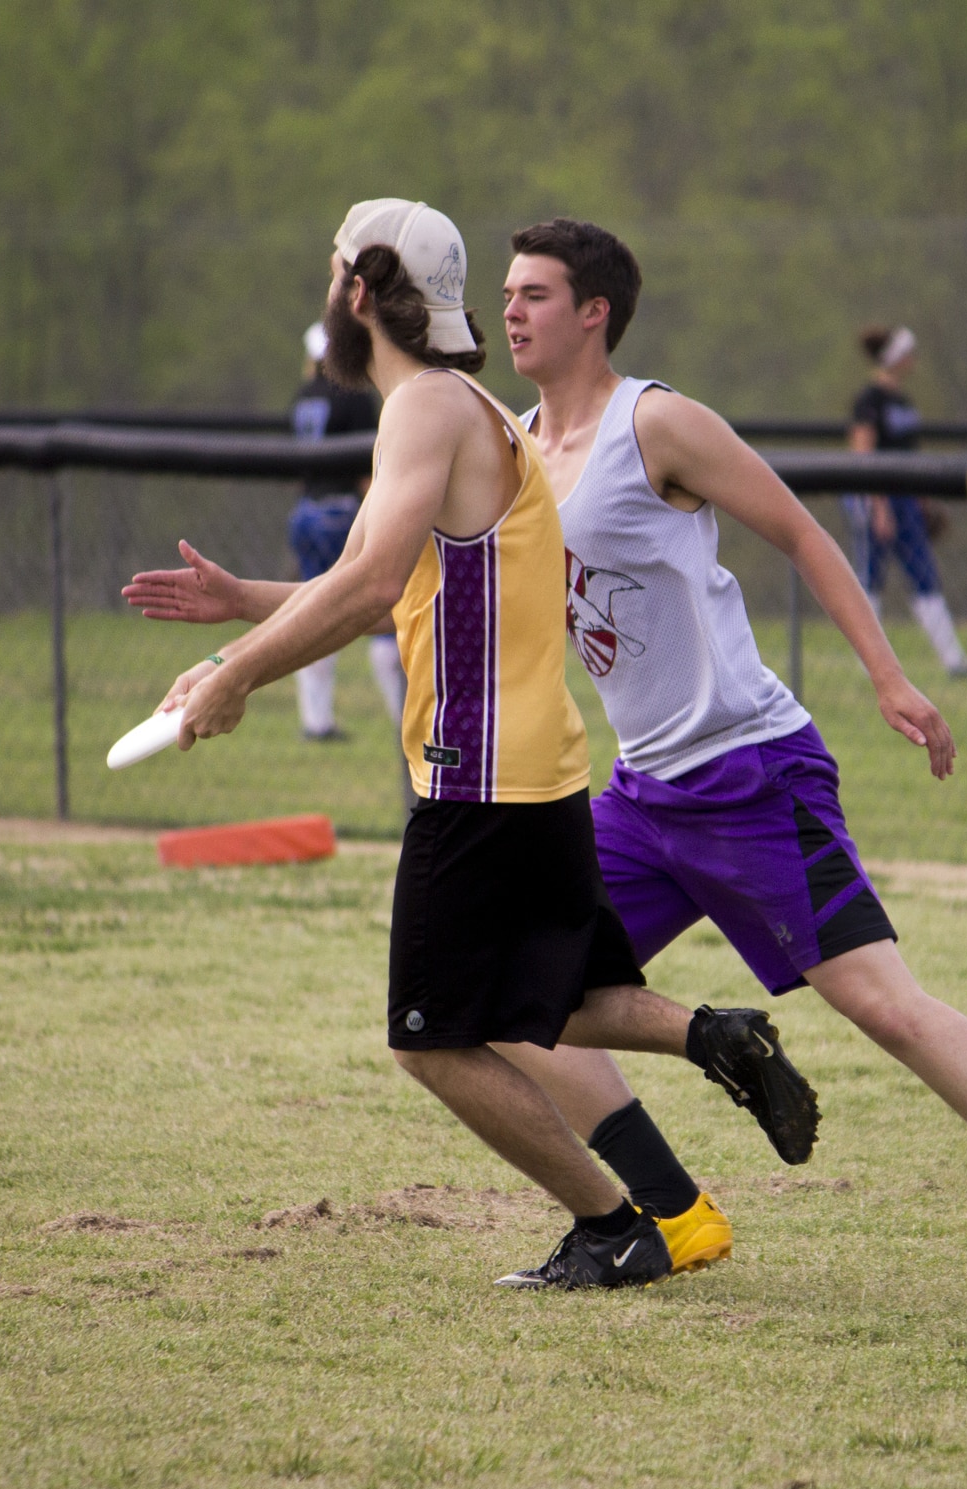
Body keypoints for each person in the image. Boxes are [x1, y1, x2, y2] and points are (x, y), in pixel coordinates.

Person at [491, 218, 967, 1305]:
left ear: (594, 313)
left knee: (884, 1006)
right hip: (641, 791)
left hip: (750, 772)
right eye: (507, 291)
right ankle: (673, 1211)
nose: (510, 309)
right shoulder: (517, 442)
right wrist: (252, 616)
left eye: (532, 292)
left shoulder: (655, 422)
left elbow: (804, 533)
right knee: (510, 987)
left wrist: (891, 679)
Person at [143, 199, 821, 1292]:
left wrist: (240, 678)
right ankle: (713, 1033)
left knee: (430, 1038)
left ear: (359, 291)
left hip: (477, 774)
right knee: (547, 999)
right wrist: (242, 620)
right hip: (539, 766)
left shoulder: (422, 414)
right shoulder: (466, 409)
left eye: (330, 272)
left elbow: (366, 579)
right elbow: (388, 581)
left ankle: (615, 1222)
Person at [287, 320, 404, 740]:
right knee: (382, 613)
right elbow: (369, 468)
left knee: (313, 609)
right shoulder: (353, 396)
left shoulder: (303, 397)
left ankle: (315, 721)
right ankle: (404, 719)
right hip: (342, 514)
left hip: (304, 513)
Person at [844, 324, 967, 678]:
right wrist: (879, 508)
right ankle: (866, 663)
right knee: (870, 578)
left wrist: (922, 501)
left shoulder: (902, 401)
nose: (912, 361)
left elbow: (909, 454)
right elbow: (863, 456)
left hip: (905, 499)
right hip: (878, 497)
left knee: (924, 576)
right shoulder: (869, 401)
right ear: (893, 358)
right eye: (907, 354)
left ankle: (954, 661)